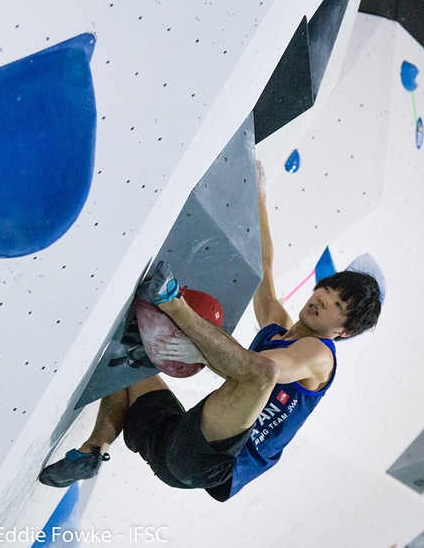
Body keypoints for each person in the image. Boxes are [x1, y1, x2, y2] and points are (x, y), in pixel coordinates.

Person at [39, 162, 381, 501]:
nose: (324, 299)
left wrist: (197, 344)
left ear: (345, 332)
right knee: (129, 359)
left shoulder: (319, 355)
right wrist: (259, 196)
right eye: (329, 289)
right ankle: (93, 451)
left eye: (339, 306)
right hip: (177, 445)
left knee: (262, 371)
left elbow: (260, 370)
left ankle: (172, 300)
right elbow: (264, 268)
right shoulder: (278, 327)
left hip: (213, 464)